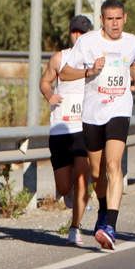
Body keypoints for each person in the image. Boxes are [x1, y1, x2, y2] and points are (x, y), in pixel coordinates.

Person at [59, 0, 135, 250]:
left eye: (119, 19)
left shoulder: (132, 41)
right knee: (97, 172)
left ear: (125, 18)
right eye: (109, 19)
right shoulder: (88, 42)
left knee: (114, 164)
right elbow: (65, 73)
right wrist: (89, 72)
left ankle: (110, 226)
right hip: (93, 113)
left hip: (119, 109)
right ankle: (104, 210)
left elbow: (134, 64)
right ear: (102, 20)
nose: (115, 24)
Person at [39, 15, 93, 245]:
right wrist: (50, 94)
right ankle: (73, 195)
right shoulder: (60, 58)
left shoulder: (96, 61)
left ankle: (75, 227)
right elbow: (45, 81)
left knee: (82, 175)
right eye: (75, 32)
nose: (78, 36)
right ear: (70, 34)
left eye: (82, 33)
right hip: (61, 128)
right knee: (63, 186)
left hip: (85, 127)